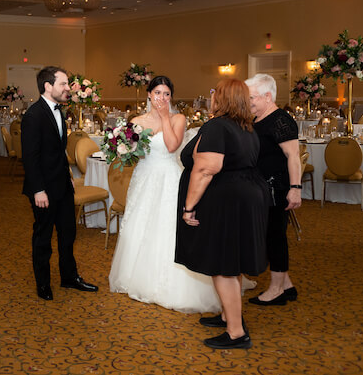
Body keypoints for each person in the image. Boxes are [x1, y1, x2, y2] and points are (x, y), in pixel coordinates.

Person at [109, 75, 222, 313]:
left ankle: (173, 284)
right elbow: (135, 154)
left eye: (167, 94)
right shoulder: (137, 120)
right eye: (158, 93)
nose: (162, 98)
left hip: (168, 176)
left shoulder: (178, 118)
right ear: (149, 94)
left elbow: (172, 146)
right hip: (144, 178)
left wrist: (163, 118)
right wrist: (125, 148)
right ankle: (135, 277)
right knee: (139, 224)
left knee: (167, 227)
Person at [176, 78, 269, 349]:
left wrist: (189, 206)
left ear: (223, 98)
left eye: (214, 91)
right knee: (231, 261)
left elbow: (206, 169)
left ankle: (236, 332)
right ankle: (230, 315)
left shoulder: (218, 126)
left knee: (223, 266)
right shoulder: (245, 126)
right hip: (243, 196)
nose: (211, 94)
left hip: (227, 201)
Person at [21, 66, 98, 301]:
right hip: (43, 188)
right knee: (43, 238)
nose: (68, 88)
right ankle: (43, 284)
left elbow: (58, 151)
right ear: (48, 86)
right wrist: (38, 190)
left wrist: (70, 177)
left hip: (62, 185)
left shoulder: (59, 111)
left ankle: (69, 277)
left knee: (68, 234)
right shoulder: (33, 116)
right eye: (63, 84)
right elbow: (30, 158)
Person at [245, 73, 301, 306]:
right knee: (269, 235)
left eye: (252, 98)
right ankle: (286, 285)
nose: (249, 102)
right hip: (262, 188)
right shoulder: (259, 119)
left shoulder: (281, 120)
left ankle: (276, 290)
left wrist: (295, 188)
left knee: (275, 238)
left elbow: (293, 156)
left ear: (268, 96)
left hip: (276, 188)